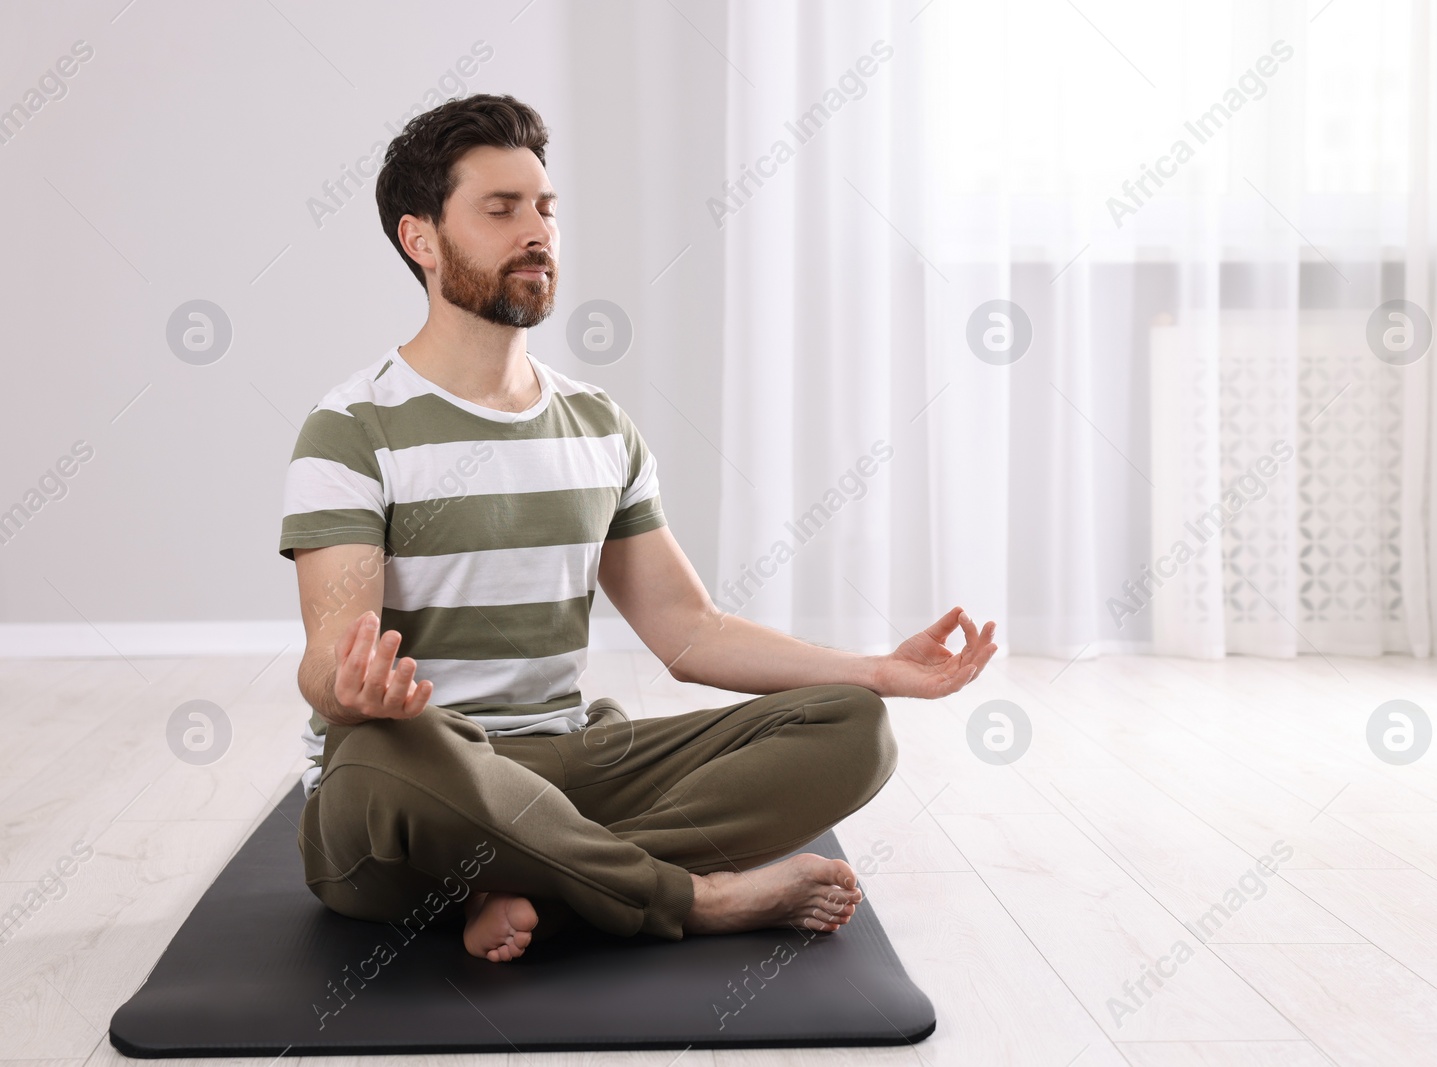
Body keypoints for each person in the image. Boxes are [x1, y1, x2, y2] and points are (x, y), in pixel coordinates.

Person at [279, 93, 998, 963]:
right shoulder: (353, 425)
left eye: (545, 207)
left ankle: (532, 879)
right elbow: (329, 653)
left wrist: (878, 669)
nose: (536, 231)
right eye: (501, 210)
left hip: (568, 767)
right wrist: (348, 690)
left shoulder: (598, 424)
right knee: (378, 764)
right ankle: (691, 898)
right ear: (420, 240)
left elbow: (689, 632)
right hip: (419, 779)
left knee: (853, 727)